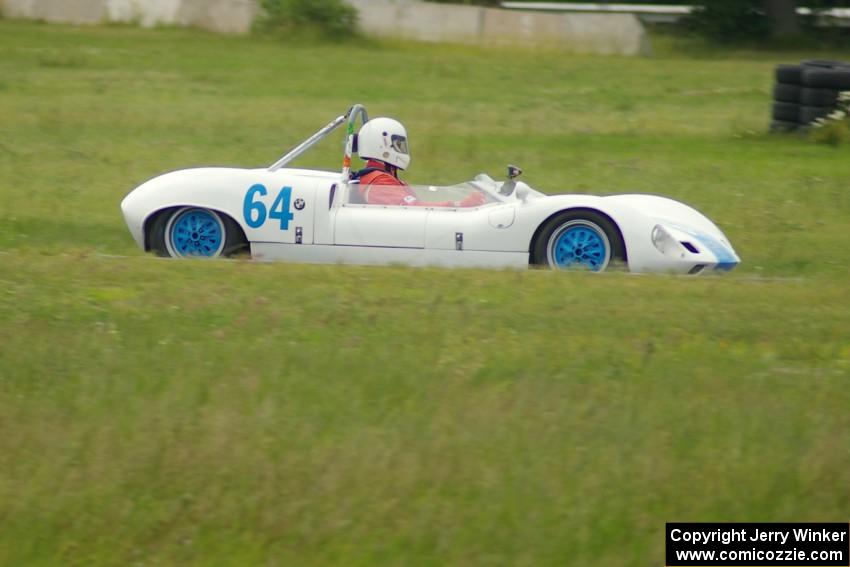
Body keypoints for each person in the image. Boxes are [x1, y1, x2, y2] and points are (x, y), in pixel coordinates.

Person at [352, 117, 486, 207]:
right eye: (398, 144)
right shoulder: (379, 183)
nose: (401, 149)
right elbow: (415, 210)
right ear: (382, 144)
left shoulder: (382, 177)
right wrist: (459, 205)